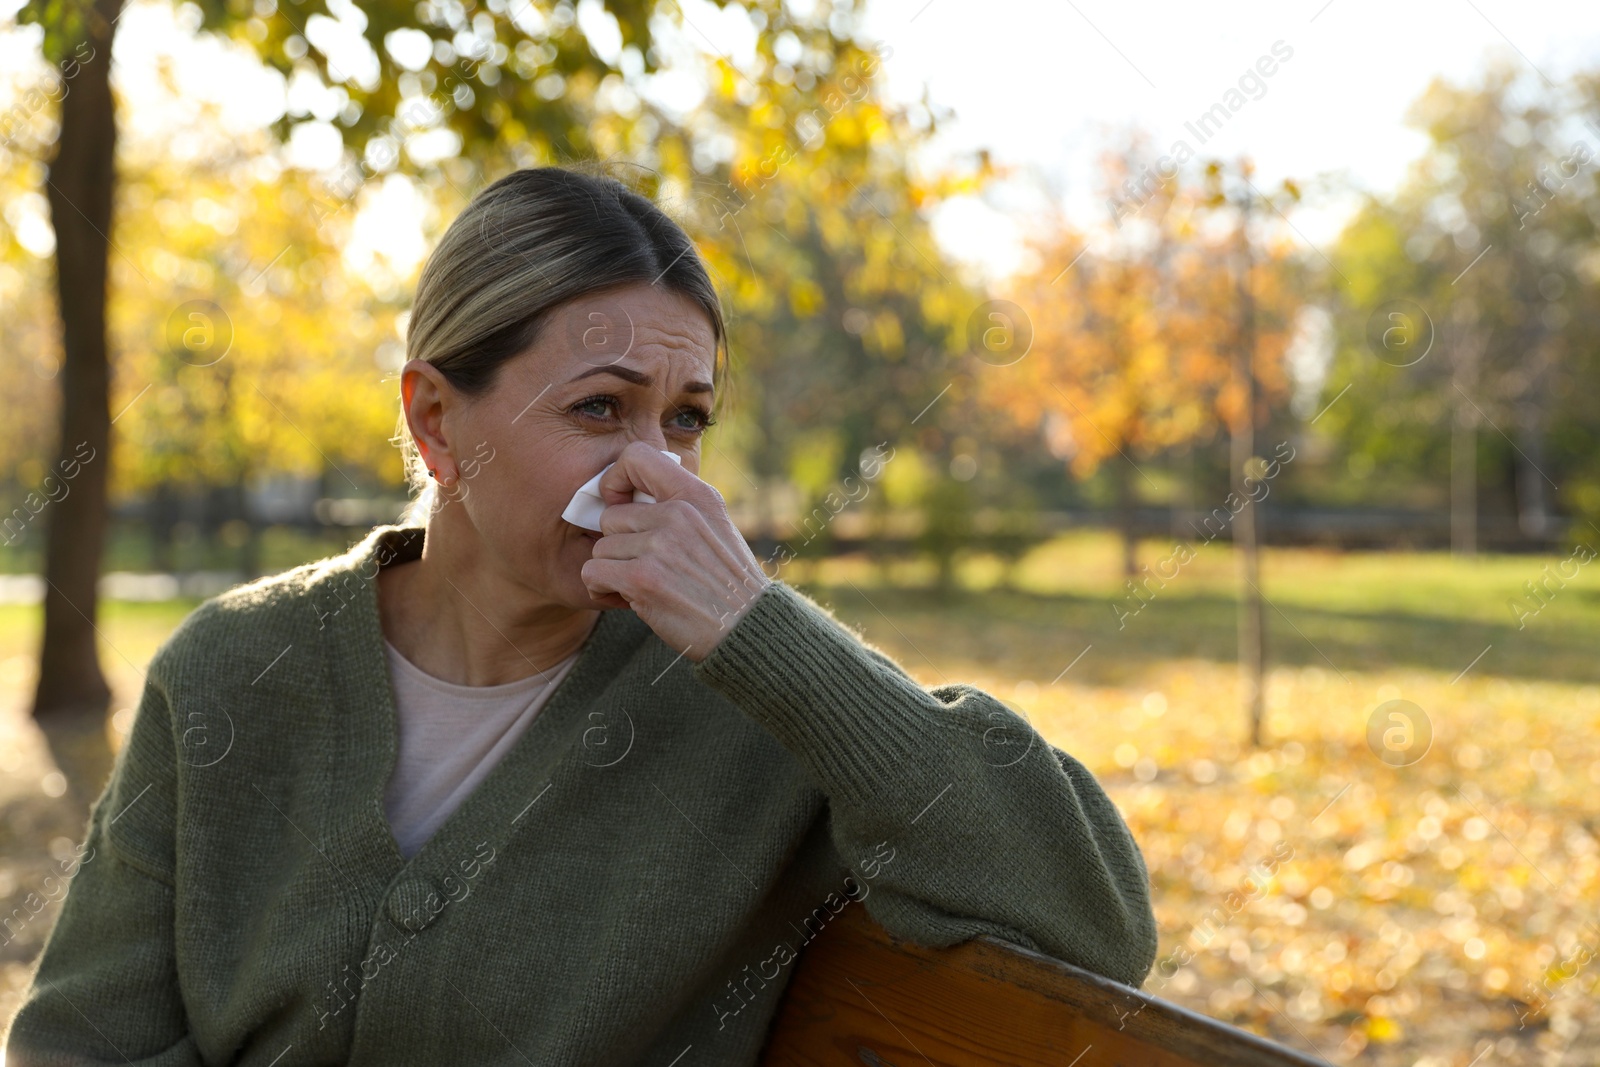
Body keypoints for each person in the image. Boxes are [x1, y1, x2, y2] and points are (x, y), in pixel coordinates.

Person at [6, 166, 1157, 1066]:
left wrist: (762, 634)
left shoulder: (754, 704)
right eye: (600, 407)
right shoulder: (231, 673)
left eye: (688, 418)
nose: (649, 470)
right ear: (438, 422)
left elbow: (1088, 917)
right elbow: (82, 1040)